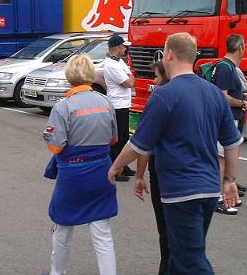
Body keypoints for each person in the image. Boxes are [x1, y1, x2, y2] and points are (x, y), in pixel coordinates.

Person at [109, 32, 242, 275]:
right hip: (209, 188)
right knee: (180, 256)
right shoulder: (213, 93)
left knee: (190, 260)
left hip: (181, 191)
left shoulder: (164, 95)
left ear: (169, 54)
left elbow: (139, 144)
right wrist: (230, 180)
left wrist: (115, 165)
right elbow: (232, 143)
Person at [43, 54, 118, 275]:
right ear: (90, 74)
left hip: (73, 176)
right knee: (102, 233)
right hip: (102, 172)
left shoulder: (63, 107)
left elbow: (56, 146)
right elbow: (113, 139)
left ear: (69, 76)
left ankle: (57, 273)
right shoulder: (106, 102)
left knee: (63, 229)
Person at [134, 60, 170, 275]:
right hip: (196, 172)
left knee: (165, 229)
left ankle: (166, 267)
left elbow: (143, 143)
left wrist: (139, 174)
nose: (153, 81)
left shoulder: (160, 97)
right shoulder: (201, 92)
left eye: (156, 76)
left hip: (163, 169)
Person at [212, 34, 247, 214]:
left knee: (226, 158)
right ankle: (218, 197)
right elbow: (223, 96)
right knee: (221, 159)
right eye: (245, 47)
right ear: (240, 47)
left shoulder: (227, 66)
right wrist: (243, 103)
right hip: (226, 119)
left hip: (229, 118)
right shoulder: (226, 68)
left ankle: (225, 193)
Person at [103, 34, 135, 182]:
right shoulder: (111, 64)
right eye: (123, 46)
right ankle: (115, 169)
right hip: (117, 105)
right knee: (117, 140)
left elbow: (131, 78)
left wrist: (129, 75)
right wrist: (129, 75)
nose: (126, 49)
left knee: (124, 138)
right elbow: (128, 83)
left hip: (124, 104)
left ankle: (123, 165)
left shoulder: (119, 62)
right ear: (117, 48)